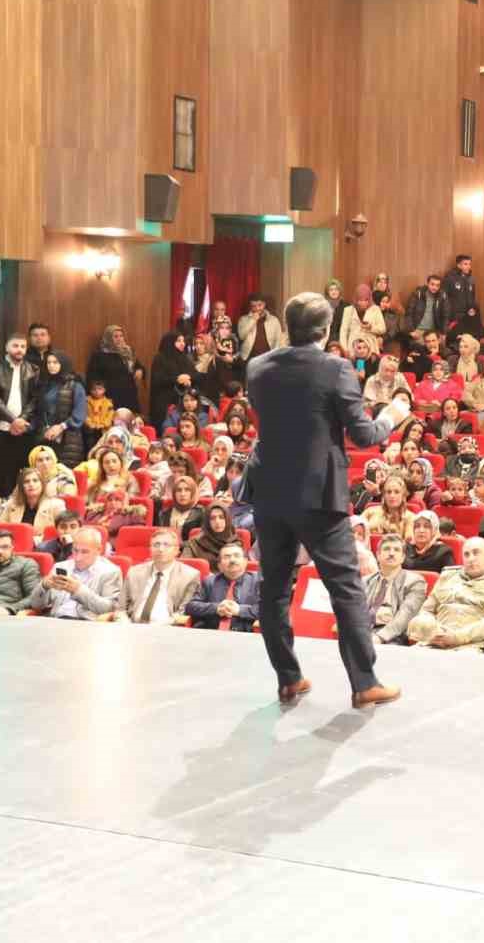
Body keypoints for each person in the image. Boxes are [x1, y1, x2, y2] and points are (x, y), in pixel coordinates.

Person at [244, 291, 407, 709]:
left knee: (274, 588)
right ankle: (364, 682)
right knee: (346, 588)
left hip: (269, 489)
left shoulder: (257, 366)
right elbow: (363, 435)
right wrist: (393, 414)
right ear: (327, 329)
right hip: (318, 492)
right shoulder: (335, 369)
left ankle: (288, 679)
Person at [407, 536, 484, 651]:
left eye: (476, 553)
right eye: (466, 555)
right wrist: (431, 629)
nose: (471, 559)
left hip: (469, 645)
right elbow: (427, 610)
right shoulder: (447, 576)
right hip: (433, 641)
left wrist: (457, 637)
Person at [26, 526, 121, 620]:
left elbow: (109, 608)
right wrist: (43, 586)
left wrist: (78, 590)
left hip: (86, 625)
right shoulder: (60, 567)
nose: (78, 557)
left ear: (98, 550)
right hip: (56, 621)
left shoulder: (111, 572)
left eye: (85, 552)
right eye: (75, 550)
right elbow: (35, 605)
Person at [0, 333, 39, 497]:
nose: (19, 350)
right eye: (15, 346)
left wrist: (21, 420)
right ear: (7, 348)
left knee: (19, 470)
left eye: (23, 346)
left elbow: (35, 398)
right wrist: (13, 420)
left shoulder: (33, 369)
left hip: (22, 428)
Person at [119, 528, 202, 625]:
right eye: (156, 545)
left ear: (176, 550)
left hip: (167, 630)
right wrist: (125, 625)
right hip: (132, 626)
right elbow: (121, 608)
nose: (160, 549)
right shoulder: (134, 572)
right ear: (150, 549)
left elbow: (183, 613)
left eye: (166, 545)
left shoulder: (190, 576)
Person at [362, 535, 429, 646]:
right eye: (387, 549)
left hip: (392, 636)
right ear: (378, 555)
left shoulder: (415, 582)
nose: (391, 553)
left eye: (396, 550)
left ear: (403, 557)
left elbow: (405, 615)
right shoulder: (365, 581)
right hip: (363, 631)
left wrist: (379, 637)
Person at [186, 542, 261, 632]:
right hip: (211, 633)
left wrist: (239, 610)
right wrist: (216, 608)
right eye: (227, 557)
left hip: (245, 634)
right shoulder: (210, 581)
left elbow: (269, 609)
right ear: (219, 565)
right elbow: (191, 607)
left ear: (245, 561)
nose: (232, 560)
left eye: (236, 556)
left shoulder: (258, 581)